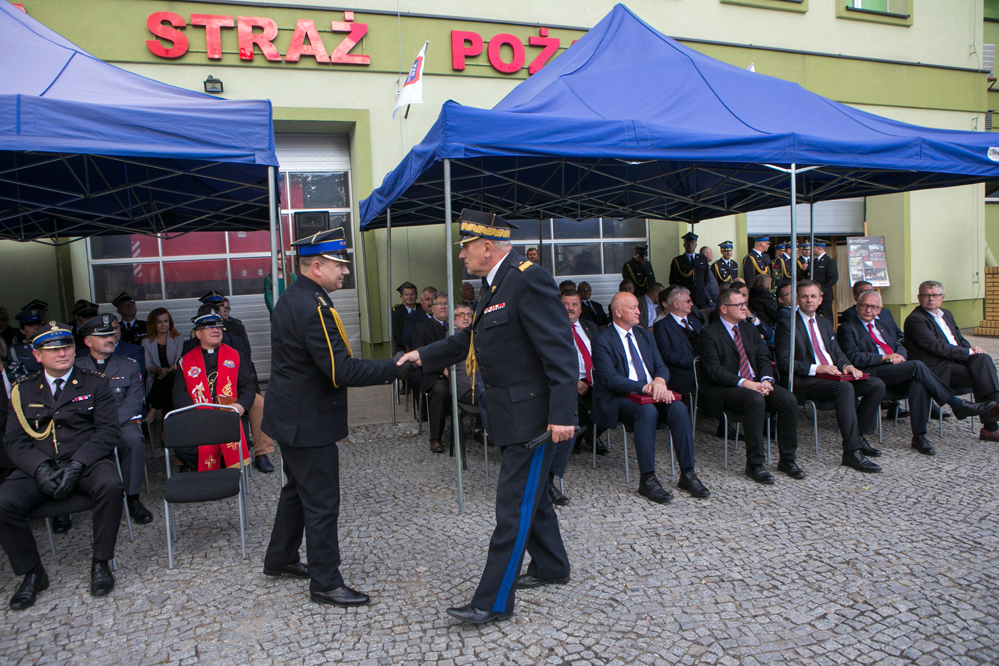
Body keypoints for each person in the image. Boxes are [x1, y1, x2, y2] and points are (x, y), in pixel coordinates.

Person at [396, 210, 575, 625]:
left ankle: (492, 602)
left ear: (487, 247)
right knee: (533, 499)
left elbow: (561, 351)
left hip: (534, 419)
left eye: (465, 247)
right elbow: (469, 339)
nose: (461, 255)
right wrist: (423, 354)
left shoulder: (528, 278)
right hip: (511, 414)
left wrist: (563, 415)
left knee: (512, 508)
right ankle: (552, 565)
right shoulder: (495, 283)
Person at [264, 228, 414, 608]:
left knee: (297, 490)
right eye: (339, 265)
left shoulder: (294, 296)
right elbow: (341, 370)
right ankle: (325, 582)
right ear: (317, 267)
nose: (345, 271)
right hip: (307, 422)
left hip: (291, 415)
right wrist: (394, 366)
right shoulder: (314, 308)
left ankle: (280, 557)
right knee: (321, 502)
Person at [0, 323, 123, 608]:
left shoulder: (95, 383)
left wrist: (78, 463)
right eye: (53, 350)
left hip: (86, 462)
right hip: (39, 465)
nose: (62, 353)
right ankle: (32, 573)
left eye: (66, 347)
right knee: (3, 502)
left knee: (110, 484)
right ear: (37, 355)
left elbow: (108, 431)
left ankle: (101, 562)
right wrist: (40, 467)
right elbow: (14, 441)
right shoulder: (22, 391)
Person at [838, 290, 994, 455]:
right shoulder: (847, 328)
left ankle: (919, 437)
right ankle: (956, 404)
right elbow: (854, 357)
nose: (869, 310)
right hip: (871, 371)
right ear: (857, 306)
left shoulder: (883, 325)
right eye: (864, 306)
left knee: (918, 384)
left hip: (895, 369)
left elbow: (899, 345)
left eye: (873, 307)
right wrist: (884, 357)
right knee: (917, 366)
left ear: (879, 309)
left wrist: (900, 357)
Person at [592, 292, 710, 503]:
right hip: (619, 397)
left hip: (651, 394)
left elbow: (661, 367)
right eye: (633, 308)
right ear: (618, 312)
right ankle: (647, 479)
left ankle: (688, 473)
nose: (639, 312)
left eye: (638, 307)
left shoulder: (645, 335)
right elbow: (610, 378)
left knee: (679, 408)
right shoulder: (602, 340)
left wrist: (660, 382)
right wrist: (645, 387)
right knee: (646, 412)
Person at [775, 280, 886, 473]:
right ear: (797, 299)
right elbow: (784, 362)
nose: (809, 300)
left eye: (813, 296)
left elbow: (836, 352)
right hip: (805, 380)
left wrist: (847, 366)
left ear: (821, 299)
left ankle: (858, 436)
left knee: (875, 385)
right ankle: (852, 452)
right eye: (804, 296)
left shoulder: (825, 322)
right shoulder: (787, 324)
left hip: (833, 377)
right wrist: (818, 368)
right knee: (844, 389)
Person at [698, 288, 804, 484]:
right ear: (723, 308)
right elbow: (714, 371)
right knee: (755, 400)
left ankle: (788, 459)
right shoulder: (709, 333)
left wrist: (766, 380)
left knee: (788, 399)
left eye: (745, 304)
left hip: (755, 383)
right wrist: (746, 383)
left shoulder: (748, 329)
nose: (744, 308)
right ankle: (755, 464)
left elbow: (762, 358)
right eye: (739, 305)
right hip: (724, 389)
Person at [76, 315, 153, 523]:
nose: (110, 339)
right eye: (103, 336)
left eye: (111, 334)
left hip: (119, 423)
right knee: (66, 441)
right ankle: (63, 507)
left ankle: (133, 499)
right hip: (86, 425)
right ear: (88, 341)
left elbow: (133, 402)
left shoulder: (129, 366)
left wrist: (107, 425)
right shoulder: (76, 367)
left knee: (134, 439)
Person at [903, 280, 999, 442]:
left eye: (935, 295)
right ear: (919, 298)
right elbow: (937, 347)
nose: (931, 299)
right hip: (936, 368)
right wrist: (968, 352)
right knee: (981, 377)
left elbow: (959, 339)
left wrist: (971, 349)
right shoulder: (916, 319)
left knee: (983, 359)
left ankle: (994, 410)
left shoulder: (946, 314)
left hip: (954, 361)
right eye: (926, 295)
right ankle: (991, 426)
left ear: (942, 297)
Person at [171, 313, 255, 471]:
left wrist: (241, 405)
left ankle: (227, 474)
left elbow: (248, 386)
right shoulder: (185, 361)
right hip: (198, 417)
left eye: (218, 327)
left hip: (229, 415)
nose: (216, 330)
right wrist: (195, 414)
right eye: (209, 327)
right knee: (184, 449)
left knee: (235, 439)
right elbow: (179, 394)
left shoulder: (236, 356)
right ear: (198, 334)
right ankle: (208, 474)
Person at [548, 289, 601, 506]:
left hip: (595, 382)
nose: (570, 308)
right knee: (572, 419)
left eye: (574, 304)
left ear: (581, 308)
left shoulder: (590, 327)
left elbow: (602, 355)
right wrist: (573, 383)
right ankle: (548, 480)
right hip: (567, 386)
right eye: (565, 304)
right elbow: (550, 364)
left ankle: (584, 436)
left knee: (615, 404)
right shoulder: (550, 329)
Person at [412, 292, 452, 453]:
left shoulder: (459, 325)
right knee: (441, 390)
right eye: (439, 304)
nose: (443, 306)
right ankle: (435, 437)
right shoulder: (421, 328)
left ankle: (480, 429)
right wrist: (443, 369)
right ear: (432, 308)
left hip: (459, 371)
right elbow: (421, 356)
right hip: (434, 373)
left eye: (446, 303)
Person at [142, 308, 184, 442]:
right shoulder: (146, 342)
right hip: (156, 380)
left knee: (170, 379)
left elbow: (179, 361)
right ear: (153, 324)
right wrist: (159, 370)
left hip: (173, 377)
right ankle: (166, 431)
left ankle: (153, 411)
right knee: (167, 386)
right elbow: (147, 365)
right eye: (159, 322)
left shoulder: (177, 338)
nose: (163, 324)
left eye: (165, 321)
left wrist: (167, 370)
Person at [653, 286, 699, 398]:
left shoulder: (696, 322)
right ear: (676, 304)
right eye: (688, 301)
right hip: (682, 371)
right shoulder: (662, 325)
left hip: (704, 368)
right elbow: (667, 354)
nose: (691, 304)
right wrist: (694, 363)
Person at [669, 232, 710, 308]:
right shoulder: (678, 261)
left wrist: (700, 288)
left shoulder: (702, 259)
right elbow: (673, 280)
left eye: (692, 242)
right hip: (685, 298)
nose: (690, 244)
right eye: (688, 243)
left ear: (696, 245)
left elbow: (706, 277)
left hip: (700, 297)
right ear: (684, 245)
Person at [7, 308, 46, 374]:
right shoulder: (15, 350)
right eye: (30, 325)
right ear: (22, 330)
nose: (36, 327)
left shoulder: (52, 345)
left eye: (38, 324)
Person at [810, 240, 838, 320]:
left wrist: (823, 290)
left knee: (827, 315)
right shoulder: (815, 261)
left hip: (825, 294)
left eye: (813, 248)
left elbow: (833, 278)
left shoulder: (829, 261)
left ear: (818, 248)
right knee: (814, 315)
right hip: (814, 294)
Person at [391, 282, 418, 354]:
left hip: (422, 347)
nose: (409, 297)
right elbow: (397, 335)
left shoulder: (422, 309)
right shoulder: (396, 312)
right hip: (403, 348)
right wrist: (411, 347)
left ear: (416, 296)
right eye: (406, 295)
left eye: (412, 294)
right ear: (401, 297)